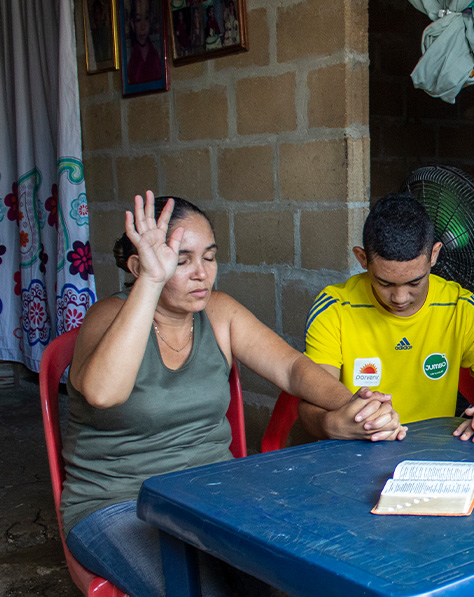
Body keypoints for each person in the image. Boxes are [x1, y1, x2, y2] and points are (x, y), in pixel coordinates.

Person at [61, 192, 402, 597]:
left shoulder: (219, 313)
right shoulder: (107, 317)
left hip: (212, 494)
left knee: (294, 576)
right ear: (138, 266)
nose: (202, 273)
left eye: (209, 256)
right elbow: (102, 393)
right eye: (181, 260)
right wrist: (150, 284)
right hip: (119, 503)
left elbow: (292, 369)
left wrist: (354, 406)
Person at [299, 192, 474, 442]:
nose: (400, 297)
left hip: (434, 454)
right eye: (384, 283)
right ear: (362, 259)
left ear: (434, 255)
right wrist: (332, 425)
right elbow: (309, 408)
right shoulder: (335, 309)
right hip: (356, 451)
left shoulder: (460, 309)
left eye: (414, 282)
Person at [125, 0, 162, 85]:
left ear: (151, 18)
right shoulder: (128, 57)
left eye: (146, 18)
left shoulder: (159, 52)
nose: (143, 26)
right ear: (132, 24)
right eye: (138, 20)